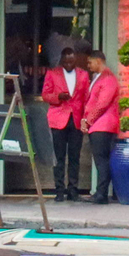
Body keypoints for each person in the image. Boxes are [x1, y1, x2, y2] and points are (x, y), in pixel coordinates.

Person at [42, 45, 88, 199]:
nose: (68, 65)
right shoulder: (52, 73)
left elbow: (86, 98)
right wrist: (58, 96)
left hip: (76, 119)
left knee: (75, 157)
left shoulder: (83, 75)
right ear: (61, 60)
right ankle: (59, 190)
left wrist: (85, 118)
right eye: (66, 62)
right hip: (58, 119)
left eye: (71, 62)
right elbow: (45, 95)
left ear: (75, 60)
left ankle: (73, 190)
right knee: (59, 157)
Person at [80, 49, 121, 204]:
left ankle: (101, 194)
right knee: (100, 160)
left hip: (103, 125)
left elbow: (102, 104)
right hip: (98, 125)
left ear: (98, 61)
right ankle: (99, 192)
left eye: (90, 62)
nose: (88, 65)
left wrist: (88, 120)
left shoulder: (108, 79)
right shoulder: (99, 78)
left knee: (101, 160)